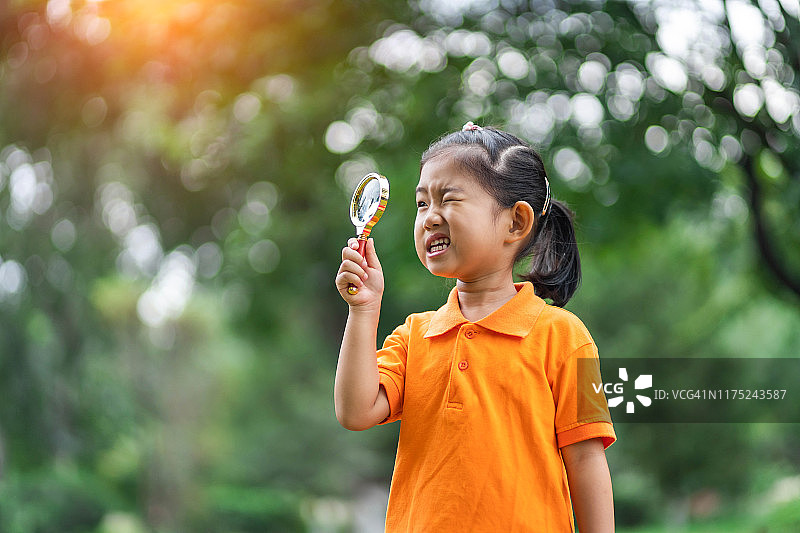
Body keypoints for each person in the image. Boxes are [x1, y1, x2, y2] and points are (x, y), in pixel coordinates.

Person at [334, 122, 616, 532]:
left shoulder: (567, 337)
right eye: (421, 203)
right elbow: (355, 411)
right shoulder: (415, 335)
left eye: (448, 200)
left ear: (516, 223)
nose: (430, 217)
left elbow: (588, 459)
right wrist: (364, 310)